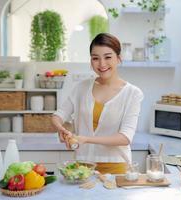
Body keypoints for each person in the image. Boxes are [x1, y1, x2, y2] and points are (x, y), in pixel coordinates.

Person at [52, 33, 144, 174]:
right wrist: (62, 129)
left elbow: (125, 138)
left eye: (108, 57)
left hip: (116, 167)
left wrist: (86, 139)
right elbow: (59, 115)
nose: (102, 64)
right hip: (83, 166)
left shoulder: (132, 93)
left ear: (119, 59)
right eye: (96, 58)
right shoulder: (81, 88)